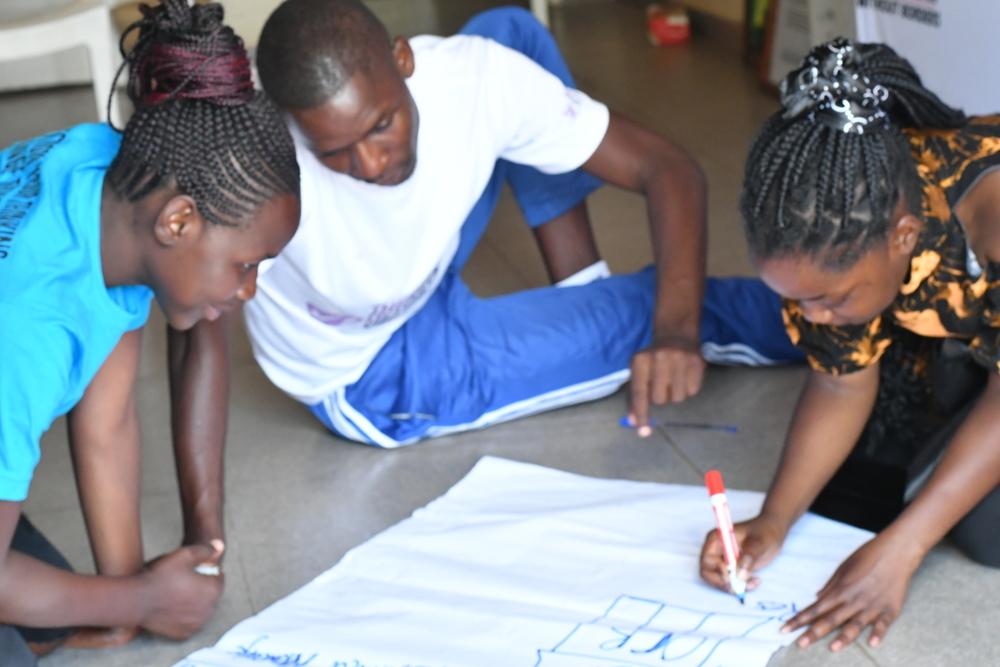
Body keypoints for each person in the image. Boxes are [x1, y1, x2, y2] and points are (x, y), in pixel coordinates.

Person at [176, 0, 800, 450]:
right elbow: (190, 315)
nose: (369, 164)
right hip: (377, 368)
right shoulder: (254, 165)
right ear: (288, 122)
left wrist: (677, 330)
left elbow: (669, 170)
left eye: (381, 125)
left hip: (419, 265)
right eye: (333, 149)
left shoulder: (465, 75)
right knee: (643, 309)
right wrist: (669, 323)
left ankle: (582, 286)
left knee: (511, 31)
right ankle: (849, 324)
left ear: (404, 61)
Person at [0, 0, 300, 663]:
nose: (248, 290)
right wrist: (139, 598)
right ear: (179, 222)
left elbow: (106, 425)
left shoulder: (113, 189)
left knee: (48, 610)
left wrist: (125, 600)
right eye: (246, 266)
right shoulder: (26, 331)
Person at [699, 38, 1000, 652]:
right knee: (860, 487)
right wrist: (776, 520)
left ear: (904, 236)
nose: (814, 317)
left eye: (830, 299)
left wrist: (903, 550)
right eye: (798, 299)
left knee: (985, 532)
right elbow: (838, 380)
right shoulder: (844, 211)